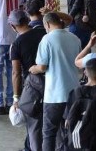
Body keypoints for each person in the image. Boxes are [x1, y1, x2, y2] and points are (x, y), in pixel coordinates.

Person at [29, 12, 82, 151]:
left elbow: (42, 66)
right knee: (73, 131)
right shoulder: (75, 38)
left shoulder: (47, 39)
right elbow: (79, 63)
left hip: (54, 94)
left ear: (47, 24)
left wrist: (34, 69)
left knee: (49, 133)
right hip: (74, 92)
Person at [9, 8, 46, 151]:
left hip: (32, 87)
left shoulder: (17, 44)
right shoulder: (43, 32)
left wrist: (16, 97)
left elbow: (16, 73)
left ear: (13, 26)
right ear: (27, 20)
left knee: (34, 123)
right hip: (51, 82)